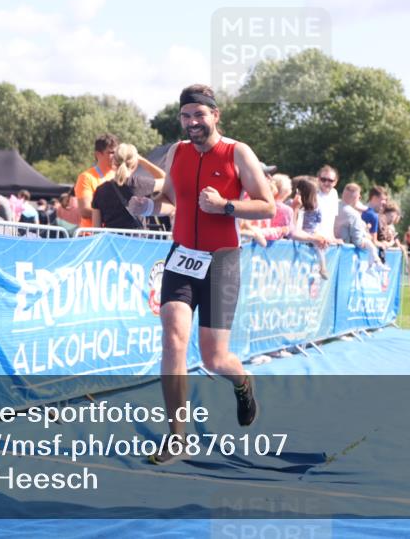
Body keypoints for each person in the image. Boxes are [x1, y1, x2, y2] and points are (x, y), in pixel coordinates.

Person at [126, 84, 273, 464]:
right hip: (182, 256)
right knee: (173, 334)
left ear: (215, 115)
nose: (192, 122)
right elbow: (172, 202)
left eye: (199, 115)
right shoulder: (177, 152)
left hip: (222, 260)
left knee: (214, 359)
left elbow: (267, 206)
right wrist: (147, 207)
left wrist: (226, 206)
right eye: (186, 116)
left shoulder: (237, 152)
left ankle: (242, 382)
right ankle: (178, 436)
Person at [92, 143, 168, 230]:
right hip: (137, 241)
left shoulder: (100, 190)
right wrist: (143, 161)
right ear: (134, 164)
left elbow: (96, 228)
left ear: (114, 162)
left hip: (112, 241)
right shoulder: (141, 184)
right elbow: (166, 180)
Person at [290, 177, 335, 279]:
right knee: (319, 246)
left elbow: (318, 219)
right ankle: (323, 267)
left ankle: (322, 268)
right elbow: (318, 220)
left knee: (320, 243)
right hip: (305, 233)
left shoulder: (313, 206)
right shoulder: (295, 205)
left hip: (308, 233)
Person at [334, 183, 386, 269]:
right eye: (359, 196)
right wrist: (368, 239)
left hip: (331, 252)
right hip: (345, 256)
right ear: (356, 197)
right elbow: (357, 241)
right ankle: (375, 262)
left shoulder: (333, 204)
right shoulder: (353, 214)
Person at [75, 133, 118, 230]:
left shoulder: (119, 175)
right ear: (98, 154)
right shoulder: (86, 177)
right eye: (111, 153)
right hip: (91, 236)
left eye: (116, 152)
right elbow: (85, 211)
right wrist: (113, 215)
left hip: (113, 236)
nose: (115, 156)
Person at [315, 165, 340, 240]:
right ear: (318, 179)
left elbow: (332, 219)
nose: (326, 183)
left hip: (327, 240)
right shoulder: (313, 193)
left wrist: (333, 238)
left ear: (335, 182)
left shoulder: (334, 193)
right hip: (313, 240)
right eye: (323, 179)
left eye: (330, 180)